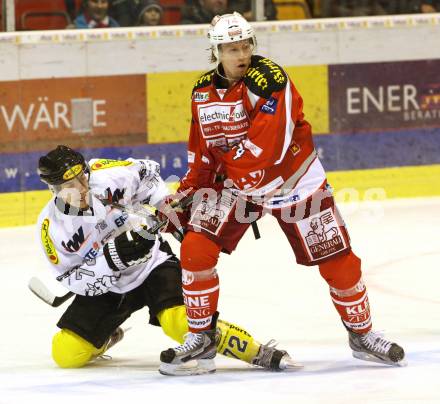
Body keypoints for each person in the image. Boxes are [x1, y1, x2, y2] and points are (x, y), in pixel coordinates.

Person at [158, 12, 406, 375]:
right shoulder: (202, 93)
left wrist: (224, 179)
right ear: (216, 51)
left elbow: (267, 150)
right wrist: (190, 190)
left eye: (245, 45)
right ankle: (202, 338)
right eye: (230, 48)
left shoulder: (270, 79)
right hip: (240, 186)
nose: (240, 54)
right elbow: (202, 149)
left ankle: (363, 335)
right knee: (196, 249)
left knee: (340, 262)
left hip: (294, 183)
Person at [36, 145, 297, 375]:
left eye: (82, 177)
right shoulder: (52, 228)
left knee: (180, 323)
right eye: (71, 186)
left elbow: (147, 176)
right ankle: (105, 336)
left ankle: (255, 351)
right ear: (54, 189)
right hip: (110, 286)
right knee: (65, 353)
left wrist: (167, 210)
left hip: (152, 264)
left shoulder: (106, 175)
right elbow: (70, 278)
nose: (82, 188)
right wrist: (111, 259)